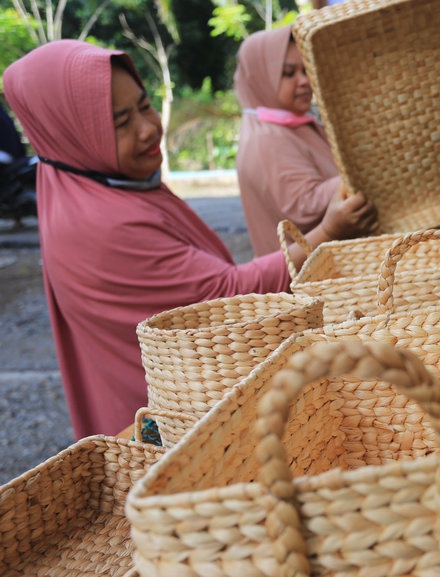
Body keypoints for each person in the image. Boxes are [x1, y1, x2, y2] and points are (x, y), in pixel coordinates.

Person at [2, 40, 369, 438]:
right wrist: (328, 231)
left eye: (145, 106)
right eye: (121, 122)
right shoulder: (105, 223)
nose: (148, 128)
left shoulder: (100, 184)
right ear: (72, 135)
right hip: (173, 425)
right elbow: (224, 297)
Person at [234, 25, 376, 256]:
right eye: (288, 73)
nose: (304, 81)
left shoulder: (292, 126)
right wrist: (369, 171)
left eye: (305, 70)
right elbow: (303, 206)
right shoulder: (267, 138)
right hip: (311, 271)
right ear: (260, 78)